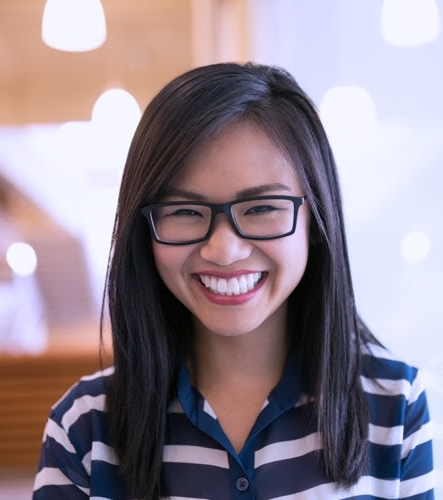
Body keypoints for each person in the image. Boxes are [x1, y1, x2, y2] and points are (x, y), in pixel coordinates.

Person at [32, 62, 434, 499]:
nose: (223, 250)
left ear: (316, 221)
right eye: (185, 212)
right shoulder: (84, 426)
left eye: (261, 208)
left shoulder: (396, 405)